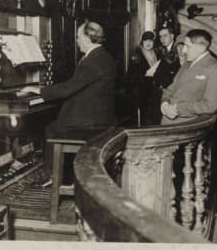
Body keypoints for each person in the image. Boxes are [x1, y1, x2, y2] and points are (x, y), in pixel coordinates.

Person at [25, 21, 116, 186]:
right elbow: (76, 85)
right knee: (54, 122)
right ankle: (58, 174)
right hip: (98, 116)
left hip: (91, 122)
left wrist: (40, 91)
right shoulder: (102, 56)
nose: (77, 40)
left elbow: (68, 89)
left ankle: (53, 177)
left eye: (78, 37)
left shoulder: (93, 61)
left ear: (88, 38)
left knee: (51, 128)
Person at [160, 29, 217, 125]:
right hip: (166, 121)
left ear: (200, 48)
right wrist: (164, 104)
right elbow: (171, 88)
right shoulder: (187, 63)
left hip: (187, 125)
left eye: (187, 46)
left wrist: (178, 108)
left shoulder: (216, 68)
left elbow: (210, 105)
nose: (183, 51)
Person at [125, 31, 160, 126]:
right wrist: (145, 75)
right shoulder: (137, 55)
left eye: (150, 41)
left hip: (152, 90)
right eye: (145, 41)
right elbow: (131, 76)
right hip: (140, 91)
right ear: (142, 42)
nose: (148, 43)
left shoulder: (156, 53)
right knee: (141, 118)